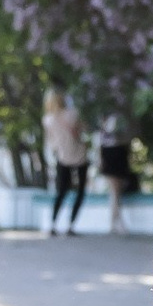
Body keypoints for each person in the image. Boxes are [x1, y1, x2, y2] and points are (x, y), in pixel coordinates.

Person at [44, 89, 90, 236]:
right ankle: (71, 225)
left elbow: (51, 143)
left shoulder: (48, 119)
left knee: (61, 192)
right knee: (80, 191)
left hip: (62, 157)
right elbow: (84, 130)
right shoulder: (73, 114)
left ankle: (53, 224)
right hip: (79, 156)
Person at [97, 118, 136, 233]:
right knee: (114, 193)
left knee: (115, 193)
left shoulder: (115, 126)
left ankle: (115, 221)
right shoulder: (107, 130)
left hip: (116, 159)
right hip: (112, 159)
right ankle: (116, 222)